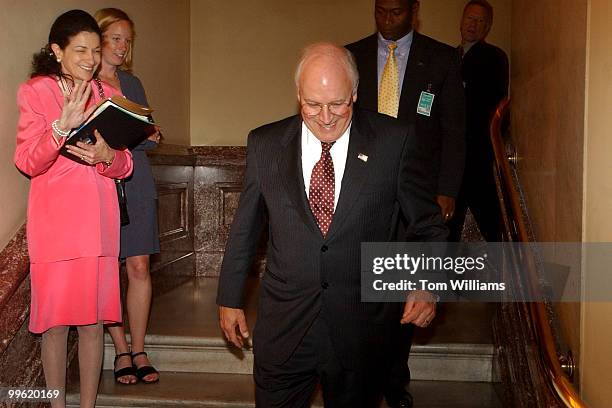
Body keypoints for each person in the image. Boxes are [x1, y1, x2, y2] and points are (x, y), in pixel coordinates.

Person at [216, 42, 446, 407]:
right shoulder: (265, 144)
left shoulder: (393, 141)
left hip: (361, 330)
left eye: (337, 103)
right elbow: (245, 228)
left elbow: (428, 224)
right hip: (285, 329)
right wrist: (229, 299)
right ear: (297, 96)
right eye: (312, 104)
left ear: (355, 93)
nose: (325, 116)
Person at [346, 2, 466, 406]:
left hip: (416, 196)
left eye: (396, 11)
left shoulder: (442, 58)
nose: (387, 19)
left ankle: (395, 385)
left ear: (414, 12)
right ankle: (360, 378)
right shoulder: (352, 56)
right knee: (361, 294)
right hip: (363, 193)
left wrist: (447, 188)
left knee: (404, 293)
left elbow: (454, 130)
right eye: (380, 10)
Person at [13, 9, 133, 408]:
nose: (90, 58)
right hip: (57, 227)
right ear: (57, 51)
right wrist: (60, 129)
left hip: (100, 225)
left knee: (93, 324)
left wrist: (107, 154)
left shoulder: (109, 95)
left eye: (95, 51)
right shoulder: (37, 92)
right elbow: (28, 161)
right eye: (80, 49)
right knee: (54, 327)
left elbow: (127, 165)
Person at [94, 8, 161, 385]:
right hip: (100, 186)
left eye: (127, 39)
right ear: (99, 37)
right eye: (116, 37)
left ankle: (139, 348)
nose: (123, 46)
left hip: (137, 182)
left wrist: (150, 136)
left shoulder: (132, 84)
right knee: (107, 271)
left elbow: (150, 135)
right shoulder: (82, 84)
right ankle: (120, 349)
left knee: (139, 268)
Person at [447, 0, 508, 242]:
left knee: (492, 224)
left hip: (479, 156)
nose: (473, 24)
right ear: (461, 21)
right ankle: (443, 278)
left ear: (488, 27)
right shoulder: (448, 57)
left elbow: (489, 104)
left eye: (480, 20)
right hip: (451, 160)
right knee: (447, 227)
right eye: (469, 18)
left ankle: (507, 276)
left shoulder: (494, 57)